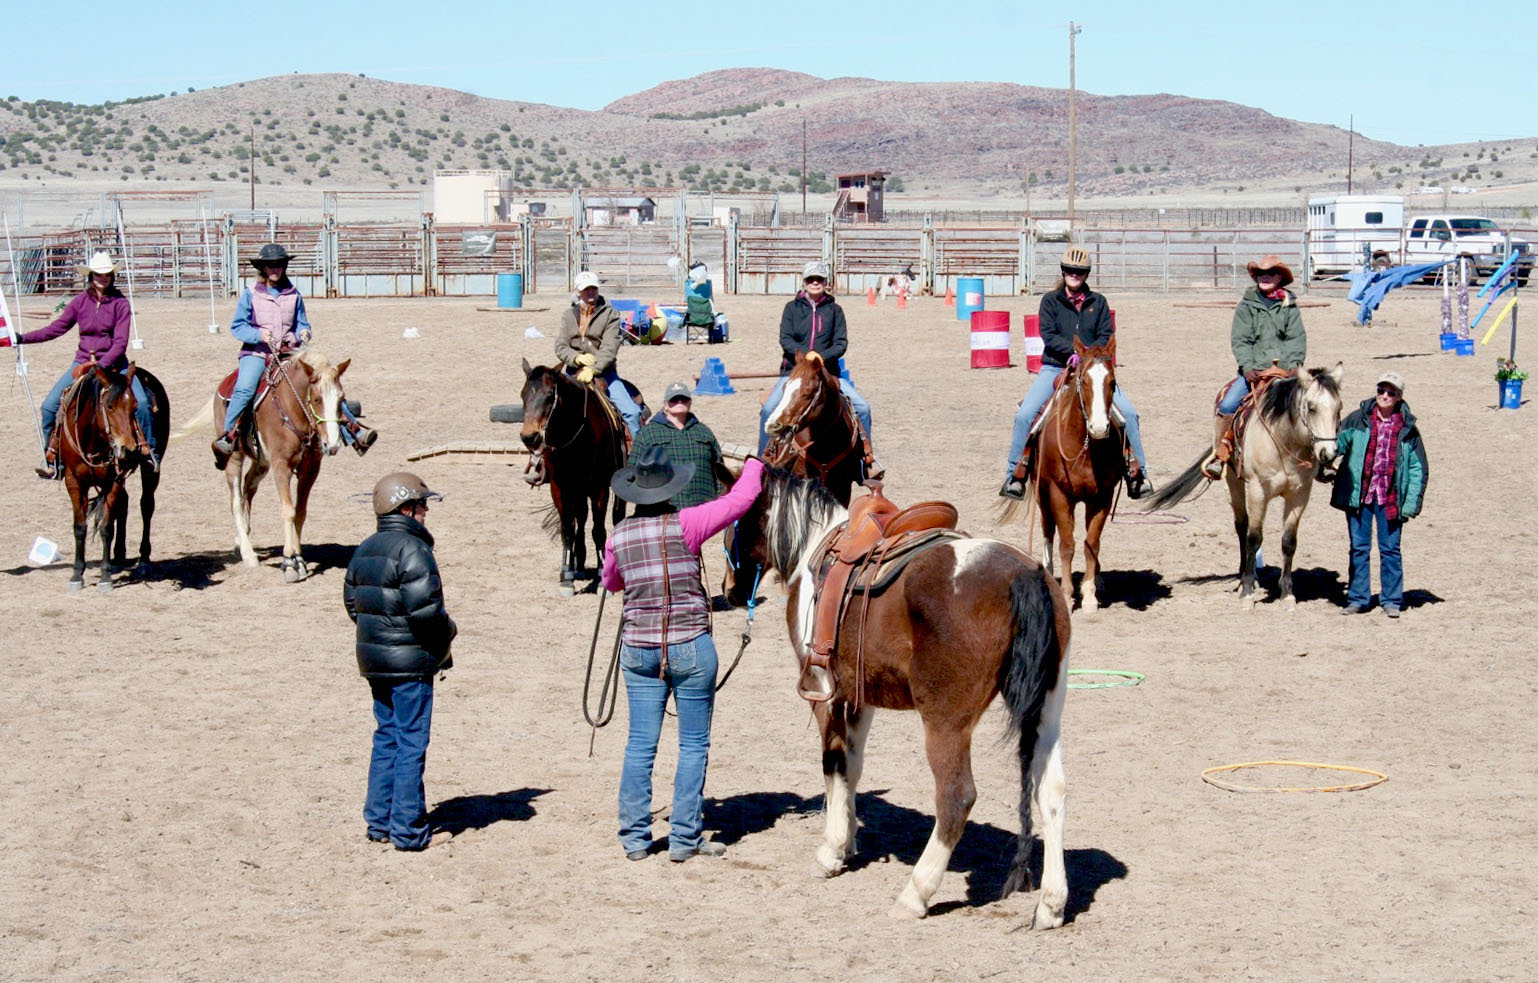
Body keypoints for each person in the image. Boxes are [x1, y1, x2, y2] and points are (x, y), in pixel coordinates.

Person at [601, 446, 766, 863]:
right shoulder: (687, 523)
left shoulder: (618, 534)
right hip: (690, 644)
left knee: (640, 744)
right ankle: (684, 838)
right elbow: (739, 501)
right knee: (693, 744)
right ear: (671, 489)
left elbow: (612, 583)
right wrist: (754, 465)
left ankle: (636, 839)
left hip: (638, 648)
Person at [345, 471, 458, 851]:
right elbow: (426, 612)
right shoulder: (414, 550)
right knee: (411, 740)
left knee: (387, 736)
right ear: (405, 508)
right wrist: (449, 632)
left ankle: (379, 821)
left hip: (375, 660)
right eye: (422, 505)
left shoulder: (365, 547)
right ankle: (409, 830)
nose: (426, 511)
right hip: (410, 663)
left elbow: (352, 603)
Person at [999, 245, 1151, 500]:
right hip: (1056, 366)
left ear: (1086, 274)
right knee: (1026, 415)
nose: (1074, 275)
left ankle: (1138, 475)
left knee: (1129, 415)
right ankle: (1016, 475)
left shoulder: (1098, 302)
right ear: (1064, 271)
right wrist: (1072, 352)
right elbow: (1048, 335)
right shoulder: (1050, 301)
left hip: (1092, 369)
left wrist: (1089, 356)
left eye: (1079, 272)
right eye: (1070, 271)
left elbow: (1106, 334)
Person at [212, 243, 376, 469]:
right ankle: (227, 437)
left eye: (279, 265)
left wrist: (303, 332)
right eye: (270, 265)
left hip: (289, 352)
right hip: (257, 352)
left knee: (325, 383)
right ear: (263, 268)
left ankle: (353, 432)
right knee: (245, 387)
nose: (275, 269)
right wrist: (259, 334)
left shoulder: (294, 294)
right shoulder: (250, 294)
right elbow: (237, 327)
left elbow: (302, 322)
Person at [1, 251, 157, 479]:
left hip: (114, 365)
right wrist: (23, 338)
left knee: (142, 403)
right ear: (91, 276)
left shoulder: (121, 303)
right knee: (49, 407)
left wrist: (101, 366)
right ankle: (54, 458)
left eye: (107, 274)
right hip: (82, 362)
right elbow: (56, 328)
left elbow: (121, 342)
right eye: (98, 274)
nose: (103, 278)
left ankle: (149, 452)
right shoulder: (80, 302)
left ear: (112, 276)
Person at [759, 261, 879, 476]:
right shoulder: (791, 308)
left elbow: (841, 343)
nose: (815, 283)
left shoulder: (835, 311)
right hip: (794, 372)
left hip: (828, 372)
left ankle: (864, 461)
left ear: (826, 282)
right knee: (769, 409)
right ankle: (763, 460)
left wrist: (821, 358)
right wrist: (806, 357)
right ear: (804, 282)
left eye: (819, 279)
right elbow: (785, 339)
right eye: (810, 279)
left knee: (863, 407)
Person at [1329, 372, 1428, 618]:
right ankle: (1358, 599)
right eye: (1381, 390)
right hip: (1359, 496)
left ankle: (1392, 600)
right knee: (1359, 549)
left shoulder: (1408, 430)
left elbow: (1418, 469)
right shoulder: (1357, 419)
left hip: (1390, 498)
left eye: (1391, 392)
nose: (1384, 396)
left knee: (1390, 550)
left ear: (1399, 398)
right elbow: (1337, 446)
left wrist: (1412, 503)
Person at [1200, 254, 1307, 480]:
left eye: (1270, 273)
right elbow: (1241, 340)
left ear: (1280, 277)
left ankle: (1317, 458)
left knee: (1314, 404)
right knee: (1228, 405)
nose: (1265, 277)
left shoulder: (1290, 306)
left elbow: (1295, 339)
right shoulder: (1246, 306)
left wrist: (1293, 365)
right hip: (1254, 371)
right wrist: (1248, 366)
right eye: (1261, 273)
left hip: (1284, 371)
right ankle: (1221, 454)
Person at [555, 270, 643, 438]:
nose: (590, 292)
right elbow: (560, 346)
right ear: (577, 291)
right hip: (574, 372)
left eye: (593, 288)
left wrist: (593, 369)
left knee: (632, 413)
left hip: (605, 374)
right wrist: (576, 358)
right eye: (586, 289)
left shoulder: (610, 314)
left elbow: (610, 347)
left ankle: (638, 457)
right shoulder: (568, 316)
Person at [628, 381, 724, 508]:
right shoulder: (648, 433)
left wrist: (720, 500)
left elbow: (720, 470)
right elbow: (633, 471)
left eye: (683, 399)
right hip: (662, 513)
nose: (679, 402)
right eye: (674, 399)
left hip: (703, 510)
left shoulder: (704, 432)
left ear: (690, 402)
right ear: (665, 405)